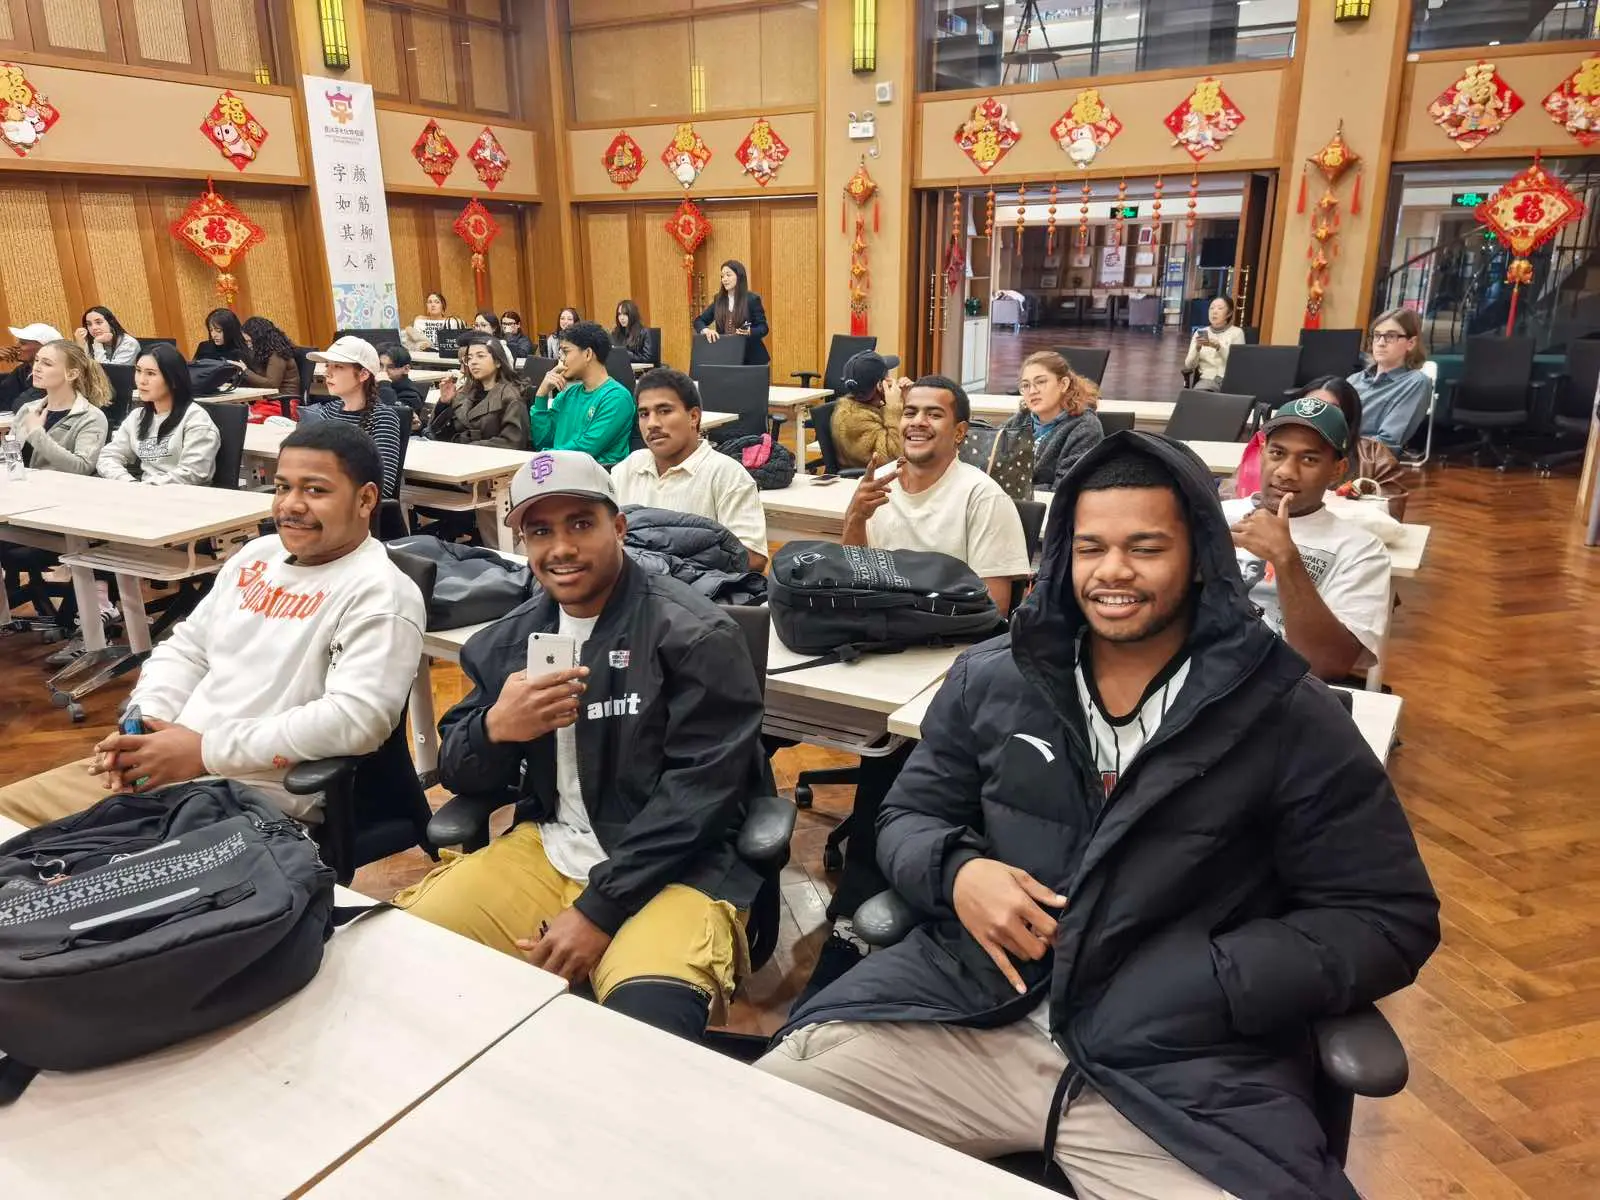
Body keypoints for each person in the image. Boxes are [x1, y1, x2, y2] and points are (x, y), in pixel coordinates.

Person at [760, 435, 1439, 1200]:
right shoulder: (994, 679)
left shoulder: (1285, 712)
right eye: (1091, 548)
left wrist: (1217, 979)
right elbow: (909, 813)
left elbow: (1388, 916)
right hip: (968, 1014)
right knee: (749, 1135)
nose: (1113, 570)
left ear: (1199, 557)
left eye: (1145, 547)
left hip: (1180, 1069)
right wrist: (959, 874)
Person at [393, 450, 766, 1042]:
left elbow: (701, 797)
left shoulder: (693, 634)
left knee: (642, 1040)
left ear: (618, 527)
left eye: (581, 524)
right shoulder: (511, 640)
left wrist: (599, 910)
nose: (561, 548)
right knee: (400, 963)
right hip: (547, 850)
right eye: (540, 531)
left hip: (674, 869)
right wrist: (496, 728)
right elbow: (461, 772)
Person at [31, 423, 424, 827]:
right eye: (282, 487)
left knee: (43, 861)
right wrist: (146, 721)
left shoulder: (380, 593)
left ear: (365, 499)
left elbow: (356, 720)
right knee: (13, 817)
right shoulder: (257, 556)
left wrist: (202, 752)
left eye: (315, 490)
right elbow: (188, 649)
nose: (291, 505)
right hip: (167, 767)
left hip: (245, 800)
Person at [1224, 396, 1392, 682]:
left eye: (1309, 459)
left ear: (1337, 470)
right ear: (1262, 453)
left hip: (1281, 692)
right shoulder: (1217, 517)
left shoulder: (1361, 551)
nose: (1286, 472)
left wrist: (1285, 557)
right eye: (1277, 453)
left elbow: (1326, 665)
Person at [843, 375, 1031, 618]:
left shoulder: (983, 497)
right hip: (878, 626)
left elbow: (993, 611)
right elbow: (851, 579)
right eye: (910, 413)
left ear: (959, 432)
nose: (917, 422)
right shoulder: (875, 483)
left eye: (934, 415)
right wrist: (855, 519)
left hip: (946, 632)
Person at [612, 367, 768, 571]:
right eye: (644, 414)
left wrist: (674, 556)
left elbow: (754, 558)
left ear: (693, 416)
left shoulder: (726, 474)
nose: (652, 424)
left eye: (664, 411)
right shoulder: (627, 468)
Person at [97, 343, 220, 486]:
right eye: (138, 371)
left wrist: (148, 487)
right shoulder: (137, 417)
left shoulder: (196, 419)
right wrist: (128, 482)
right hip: (142, 492)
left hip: (183, 495)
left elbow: (194, 473)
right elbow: (107, 457)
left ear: (173, 380)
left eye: (151, 373)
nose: (141, 381)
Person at [299, 336, 405, 499]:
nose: (327, 373)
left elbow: (383, 485)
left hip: (353, 508)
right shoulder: (327, 412)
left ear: (363, 374)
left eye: (338, 366)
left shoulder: (383, 417)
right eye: (327, 366)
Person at [530, 321, 633, 465]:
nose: (561, 359)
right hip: (560, 470)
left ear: (588, 354)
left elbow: (585, 449)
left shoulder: (617, 398)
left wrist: (544, 457)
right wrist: (541, 396)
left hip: (596, 475)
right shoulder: (568, 394)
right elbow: (542, 441)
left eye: (566, 351)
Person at [1004, 349, 1105, 490]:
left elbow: (1064, 490)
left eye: (1041, 382)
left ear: (1063, 384)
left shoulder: (1085, 428)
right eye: (1026, 385)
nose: (1032, 391)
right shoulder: (1018, 421)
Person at [7, 339, 110, 474]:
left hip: (60, 486)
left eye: (47, 364)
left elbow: (83, 467)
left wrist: (37, 435)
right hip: (21, 484)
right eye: (37, 360)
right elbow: (10, 458)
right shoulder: (28, 409)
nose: (36, 368)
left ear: (72, 374)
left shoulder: (91, 417)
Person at [1348, 307, 1431, 452]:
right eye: (1377, 335)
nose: (1381, 342)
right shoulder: (1354, 379)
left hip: (1363, 457)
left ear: (1411, 343)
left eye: (1390, 336)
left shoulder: (1415, 382)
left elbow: (1387, 443)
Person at [431, 336, 530, 451]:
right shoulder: (465, 391)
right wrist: (444, 403)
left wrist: (465, 449)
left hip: (489, 458)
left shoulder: (511, 396)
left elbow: (512, 442)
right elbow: (435, 432)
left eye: (480, 356)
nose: (473, 362)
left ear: (498, 361)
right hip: (453, 454)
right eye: (469, 358)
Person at [830, 350, 908, 469]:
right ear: (880, 385)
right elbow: (895, 456)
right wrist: (894, 407)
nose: (891, 380)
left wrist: (907, 397)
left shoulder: (871, 406)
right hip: (876, 476)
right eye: (887, 376)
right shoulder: (853, 421)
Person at [693, 260, 769, 366]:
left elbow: (763, 328)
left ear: (739, 276)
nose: (724, 279)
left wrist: (749, 331)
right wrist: (706, 330)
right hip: (727, 356)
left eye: (728, 275)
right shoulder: (719, 300)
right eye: (722, 276)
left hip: (751, 359)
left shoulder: (752, 299)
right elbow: (699, 321)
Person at [1182, 296, 1245, 391]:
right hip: (1207, 381)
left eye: (1220, 308)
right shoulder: (1200, 333)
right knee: (1202, 393)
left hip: (1229, 381)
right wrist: (1197, 349)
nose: (1214, 312)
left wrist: (1219, 347)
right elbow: (1189, 366)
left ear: (1229, 313)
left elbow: (1237, 363)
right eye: (1211, 308)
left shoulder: (1237, 333)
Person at [0, 322, 64, 411]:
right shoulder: (23, 370)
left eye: (23, 343)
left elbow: (22, 405)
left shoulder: (53, 374)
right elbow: (3, 398)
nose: (16, 346)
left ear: (44, 348)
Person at [239, 316, 302, 400]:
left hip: (283, 401)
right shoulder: (263, 352)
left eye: (250, 341)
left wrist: (244, 371)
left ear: (259, 339)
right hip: (269, 399)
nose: (248, 345)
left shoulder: (277, 354)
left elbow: (272, 385)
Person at [380, 344, 425, 432]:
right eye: (380, 365)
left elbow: (389, 415)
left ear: (406, 369)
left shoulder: (411, 396)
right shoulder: (372, 385)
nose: (383, 371)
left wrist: (384, 384)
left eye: (391, 367)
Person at [74, 306, 140, 366]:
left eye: (98, 322)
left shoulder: (129, 343)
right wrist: (81, 345)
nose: (94, 328)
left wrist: (97, 344)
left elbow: (108, 371)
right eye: (89, 324)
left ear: (111, 322)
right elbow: (82, 369)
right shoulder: (91, 341)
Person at [611, 299, 654, 365]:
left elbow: (647, 359)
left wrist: (627, 355)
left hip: (639, 370)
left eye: (625, 314)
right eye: (619, 314)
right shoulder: (616, 333)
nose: (621, 318)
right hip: (620, 367)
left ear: (632, 315)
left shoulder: (643, 332)